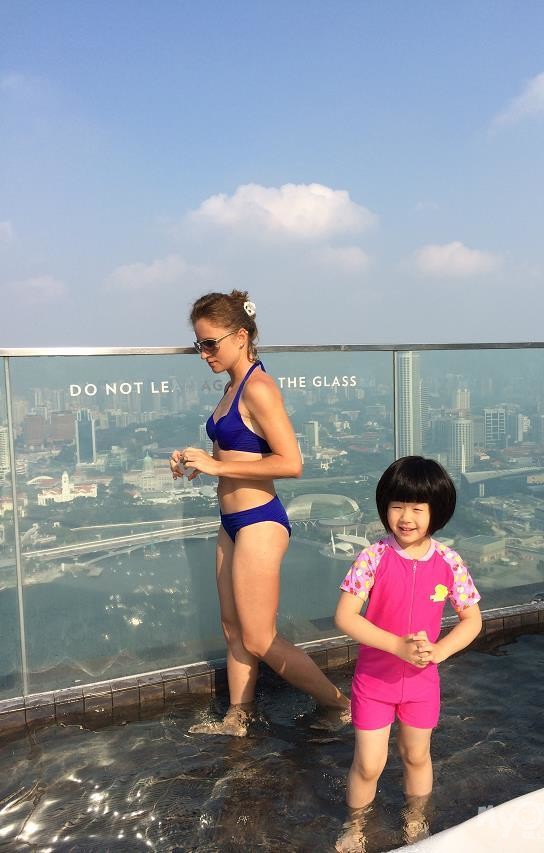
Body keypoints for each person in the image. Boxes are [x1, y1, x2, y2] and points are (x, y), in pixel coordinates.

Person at [170, 290, 350, 735]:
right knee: (232, 628)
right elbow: (238, 454)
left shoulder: (259, 387)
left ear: (241, 336)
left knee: (259, 636)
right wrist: (195, 460)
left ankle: (342, 705)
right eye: (198, 344)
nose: (204, 354)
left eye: (210, 343)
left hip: (259, 521)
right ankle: (238, 717)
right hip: (231, 522)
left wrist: (216, 466)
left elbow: (291, 463)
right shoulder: (231, 386)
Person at [334, 456, 481, 849]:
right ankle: (355, 827)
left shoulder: (449, 562)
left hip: (421, 683)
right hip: (374, 681)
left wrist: (441, 650)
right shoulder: (373, 557)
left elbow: (472, 620)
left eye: (418, 508)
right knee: (369, 764)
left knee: (417, 756)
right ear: (385, 506)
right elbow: (345, 617)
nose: (406, 517)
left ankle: (415, 822)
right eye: (397, 506)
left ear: (437, 511)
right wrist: (396, 646)